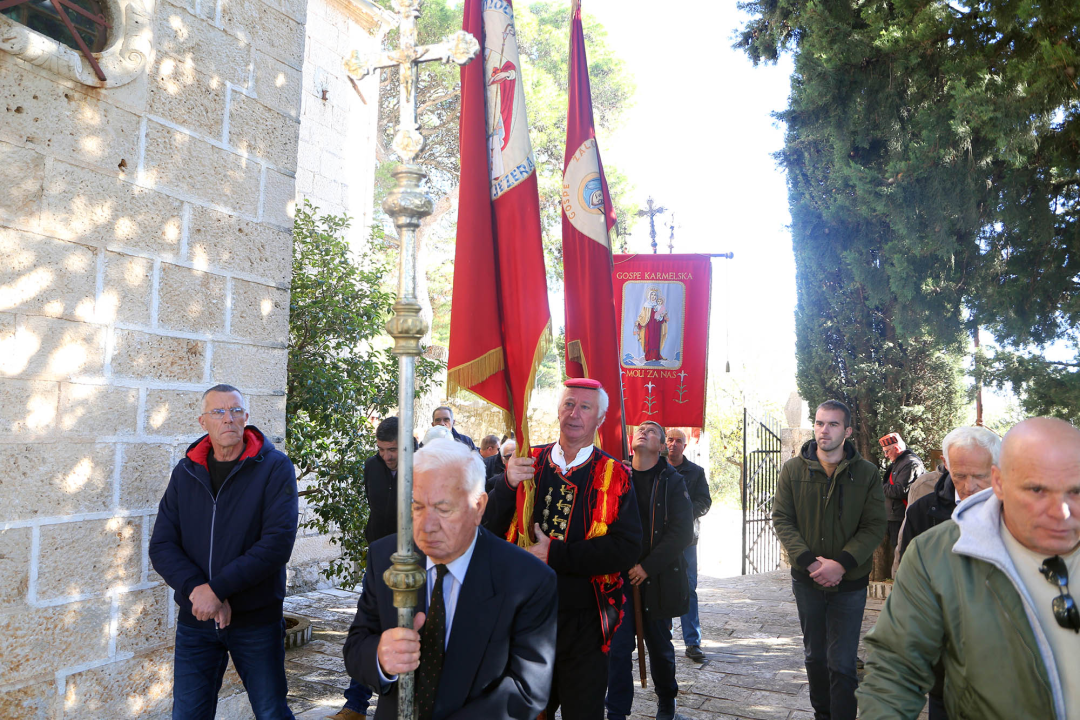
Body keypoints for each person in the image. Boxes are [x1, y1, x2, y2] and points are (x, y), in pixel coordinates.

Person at [858, 418, 1080, 719]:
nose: (1061, 511)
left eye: (1076, 491)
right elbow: (896, 668)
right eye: (1037, 489)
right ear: (1001, 483)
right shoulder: (932, 552)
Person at [343, 438, 557, 719]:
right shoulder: (386, 557)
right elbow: (357, 645)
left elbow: (527, 690)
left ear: (479, 506)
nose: (427, 526)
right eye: (417, 506)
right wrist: (381, 658)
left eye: (444, 509)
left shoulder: (528, 579)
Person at [484, 378, 642, 720]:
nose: (575, 413)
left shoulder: (615, 475)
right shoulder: (526, 462)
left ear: (600, 419)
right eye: (569, 404)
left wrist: (555, 555)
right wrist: (508, 484)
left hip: (585, 621)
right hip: (524, 618)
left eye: (585, 407)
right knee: (521, 713)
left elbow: (627, 548)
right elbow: (486, 531)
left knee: (582, 712)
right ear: (558, 409)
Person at [149, 384, 298, 719]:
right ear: (204, 421)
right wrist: (199, 591)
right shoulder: (186, 472)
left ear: (246, 417)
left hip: (255, 620)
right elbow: (161, 545)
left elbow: (277, 543)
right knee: (187, 714)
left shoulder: (274, 468)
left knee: (271, 711)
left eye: (235, 410)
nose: (228, 418)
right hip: (196, 619)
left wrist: (219, 590)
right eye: (218, 411)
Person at [771, 399, 886, 720]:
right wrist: (809, 562)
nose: (824, 430)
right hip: (806, 581)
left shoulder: (867, 474)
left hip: (849, 583)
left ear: (847, 431)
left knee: (843, 661)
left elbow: (874, 524)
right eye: (820, 423)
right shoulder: (793, 469)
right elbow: (782, 518)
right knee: (815, 657)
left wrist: (842, 564)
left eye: (833, 424)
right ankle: (823, 714)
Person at [889, 425, 1000, 720]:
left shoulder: (1023, 513)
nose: (970, 485)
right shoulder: (923, 512)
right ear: (947, 468)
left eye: (980, 475)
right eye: (960, 475)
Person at [606, 422, 693, 720]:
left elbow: (682, 532)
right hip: (619, 580)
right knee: (617, 649)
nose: (644, 432)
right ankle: (616, 711)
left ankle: (666, 703)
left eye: (653, 431)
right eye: (640, 429)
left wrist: (647, 567)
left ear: (661, 446)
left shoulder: (672, 480)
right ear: (631, 442)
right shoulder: (615, 475)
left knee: (658, 646)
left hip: (657, 579)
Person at [330, 417, 403, 720]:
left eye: (394, 450)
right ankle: (355, 706)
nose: (387, 455)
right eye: (382, 449)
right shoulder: (372, 466)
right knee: (368, 629)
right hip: (377, 562)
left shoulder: (424, 466)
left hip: (411, 561)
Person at [665, 427, 712, 662]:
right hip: (659, 540)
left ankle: (692, 642)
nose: (673, 444)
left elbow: (704, 501)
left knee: (688, 588)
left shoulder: (696, 472)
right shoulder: (656, 468)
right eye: (670, 440)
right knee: (661, 586)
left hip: (686, 540)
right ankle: (663, 637)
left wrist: (683, 514)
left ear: (685, 445)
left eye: (678, 441)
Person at [879, 432, 926, 554]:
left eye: (887, 451)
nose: (886, 455)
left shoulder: (910, 463)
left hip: (902, 517)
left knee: (902, 554)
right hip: (893, 516)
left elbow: (900, 490)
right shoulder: (898, 463)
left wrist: (878, 487)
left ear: (896, 448)